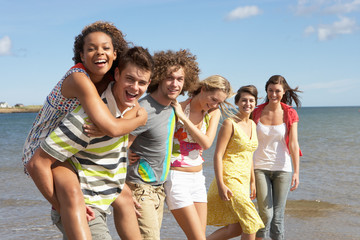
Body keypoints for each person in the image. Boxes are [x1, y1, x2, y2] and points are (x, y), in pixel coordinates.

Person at [22, 21, 146, 239]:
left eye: (106, 48)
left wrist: (137, 115)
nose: (100, 53)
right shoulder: (80, 78)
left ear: (115, 54)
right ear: (81, 54)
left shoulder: (110, 77)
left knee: (124, 193)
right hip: (44, 147)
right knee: (72, 196)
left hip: (72, 146)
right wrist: (140, 119)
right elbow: (113, 127)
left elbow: (129, 105)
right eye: (91, 48)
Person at [126, 49, 200, 240]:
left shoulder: (173, 108)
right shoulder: (144, 109)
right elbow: (120, 143)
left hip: (159, 189)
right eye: (169, 78)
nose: (175, 84)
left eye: (180, 79)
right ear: (158, 78)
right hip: (140, 188)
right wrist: (124, 157)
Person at [163, 75, 233, 240]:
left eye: (219, 102)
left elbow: (207, 143)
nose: (215, 104)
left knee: (200, 236)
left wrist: (184, 119)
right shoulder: (176, 108)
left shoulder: (213, 113)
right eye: (213, 99)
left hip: (198, 180)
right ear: (203, 89)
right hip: (176, 178)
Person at [207, 85, 264, 240]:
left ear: (255, 103)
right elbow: (218, 155)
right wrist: (220, 184)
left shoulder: (253, 124)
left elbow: (249, 155)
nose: (248, 104)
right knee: (251, 221)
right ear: (237, 103)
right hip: (229, 178)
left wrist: (252, 181)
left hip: (244, 180)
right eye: (244, 100)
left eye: (251, 100)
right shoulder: (229, 124)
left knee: (235, 229)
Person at [252, 75, 302, 240]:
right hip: (259, 167)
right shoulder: (256, 111)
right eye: (270, 90)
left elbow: (294, 144)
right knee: (265, 213)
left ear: (284, 91)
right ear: (266, 90)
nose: (274, 94)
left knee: (278, 217)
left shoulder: (290, 113)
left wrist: (296, 172)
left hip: (283, 168)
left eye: (277, 91)